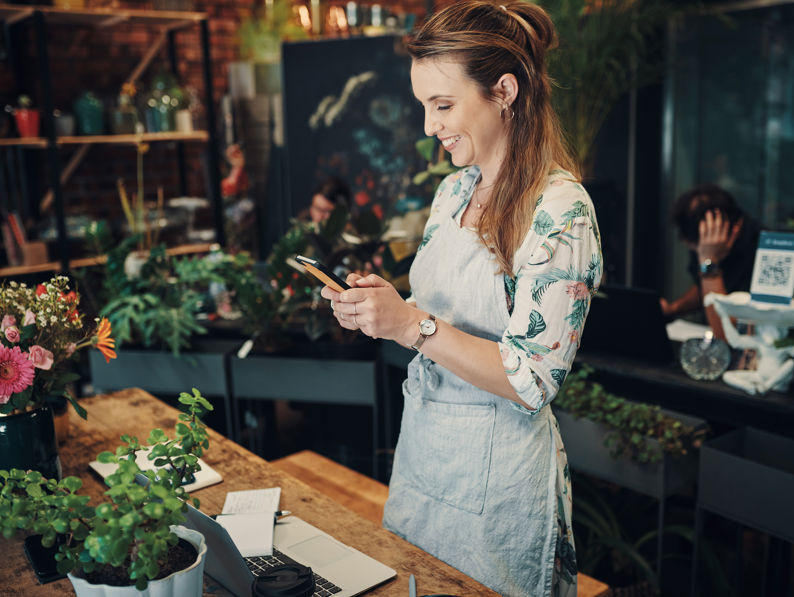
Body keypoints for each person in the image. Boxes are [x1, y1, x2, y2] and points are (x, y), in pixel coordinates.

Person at [321, 2, 602, 595]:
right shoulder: (453, 192)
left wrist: (410, 326)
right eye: (424, 105)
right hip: (426, 451)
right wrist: (382, 310)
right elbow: (431, 318)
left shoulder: (562, 211)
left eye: (442, 106)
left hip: (500, 481)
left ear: (505, 91)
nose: (429, 127)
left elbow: (532, 378)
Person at [660, 184, 760, 339]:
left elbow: (729, 335)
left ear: (733, 228)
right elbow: (703, 289)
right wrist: (673, 309)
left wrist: (709, 261)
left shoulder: (761, 251)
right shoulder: (704, 244)